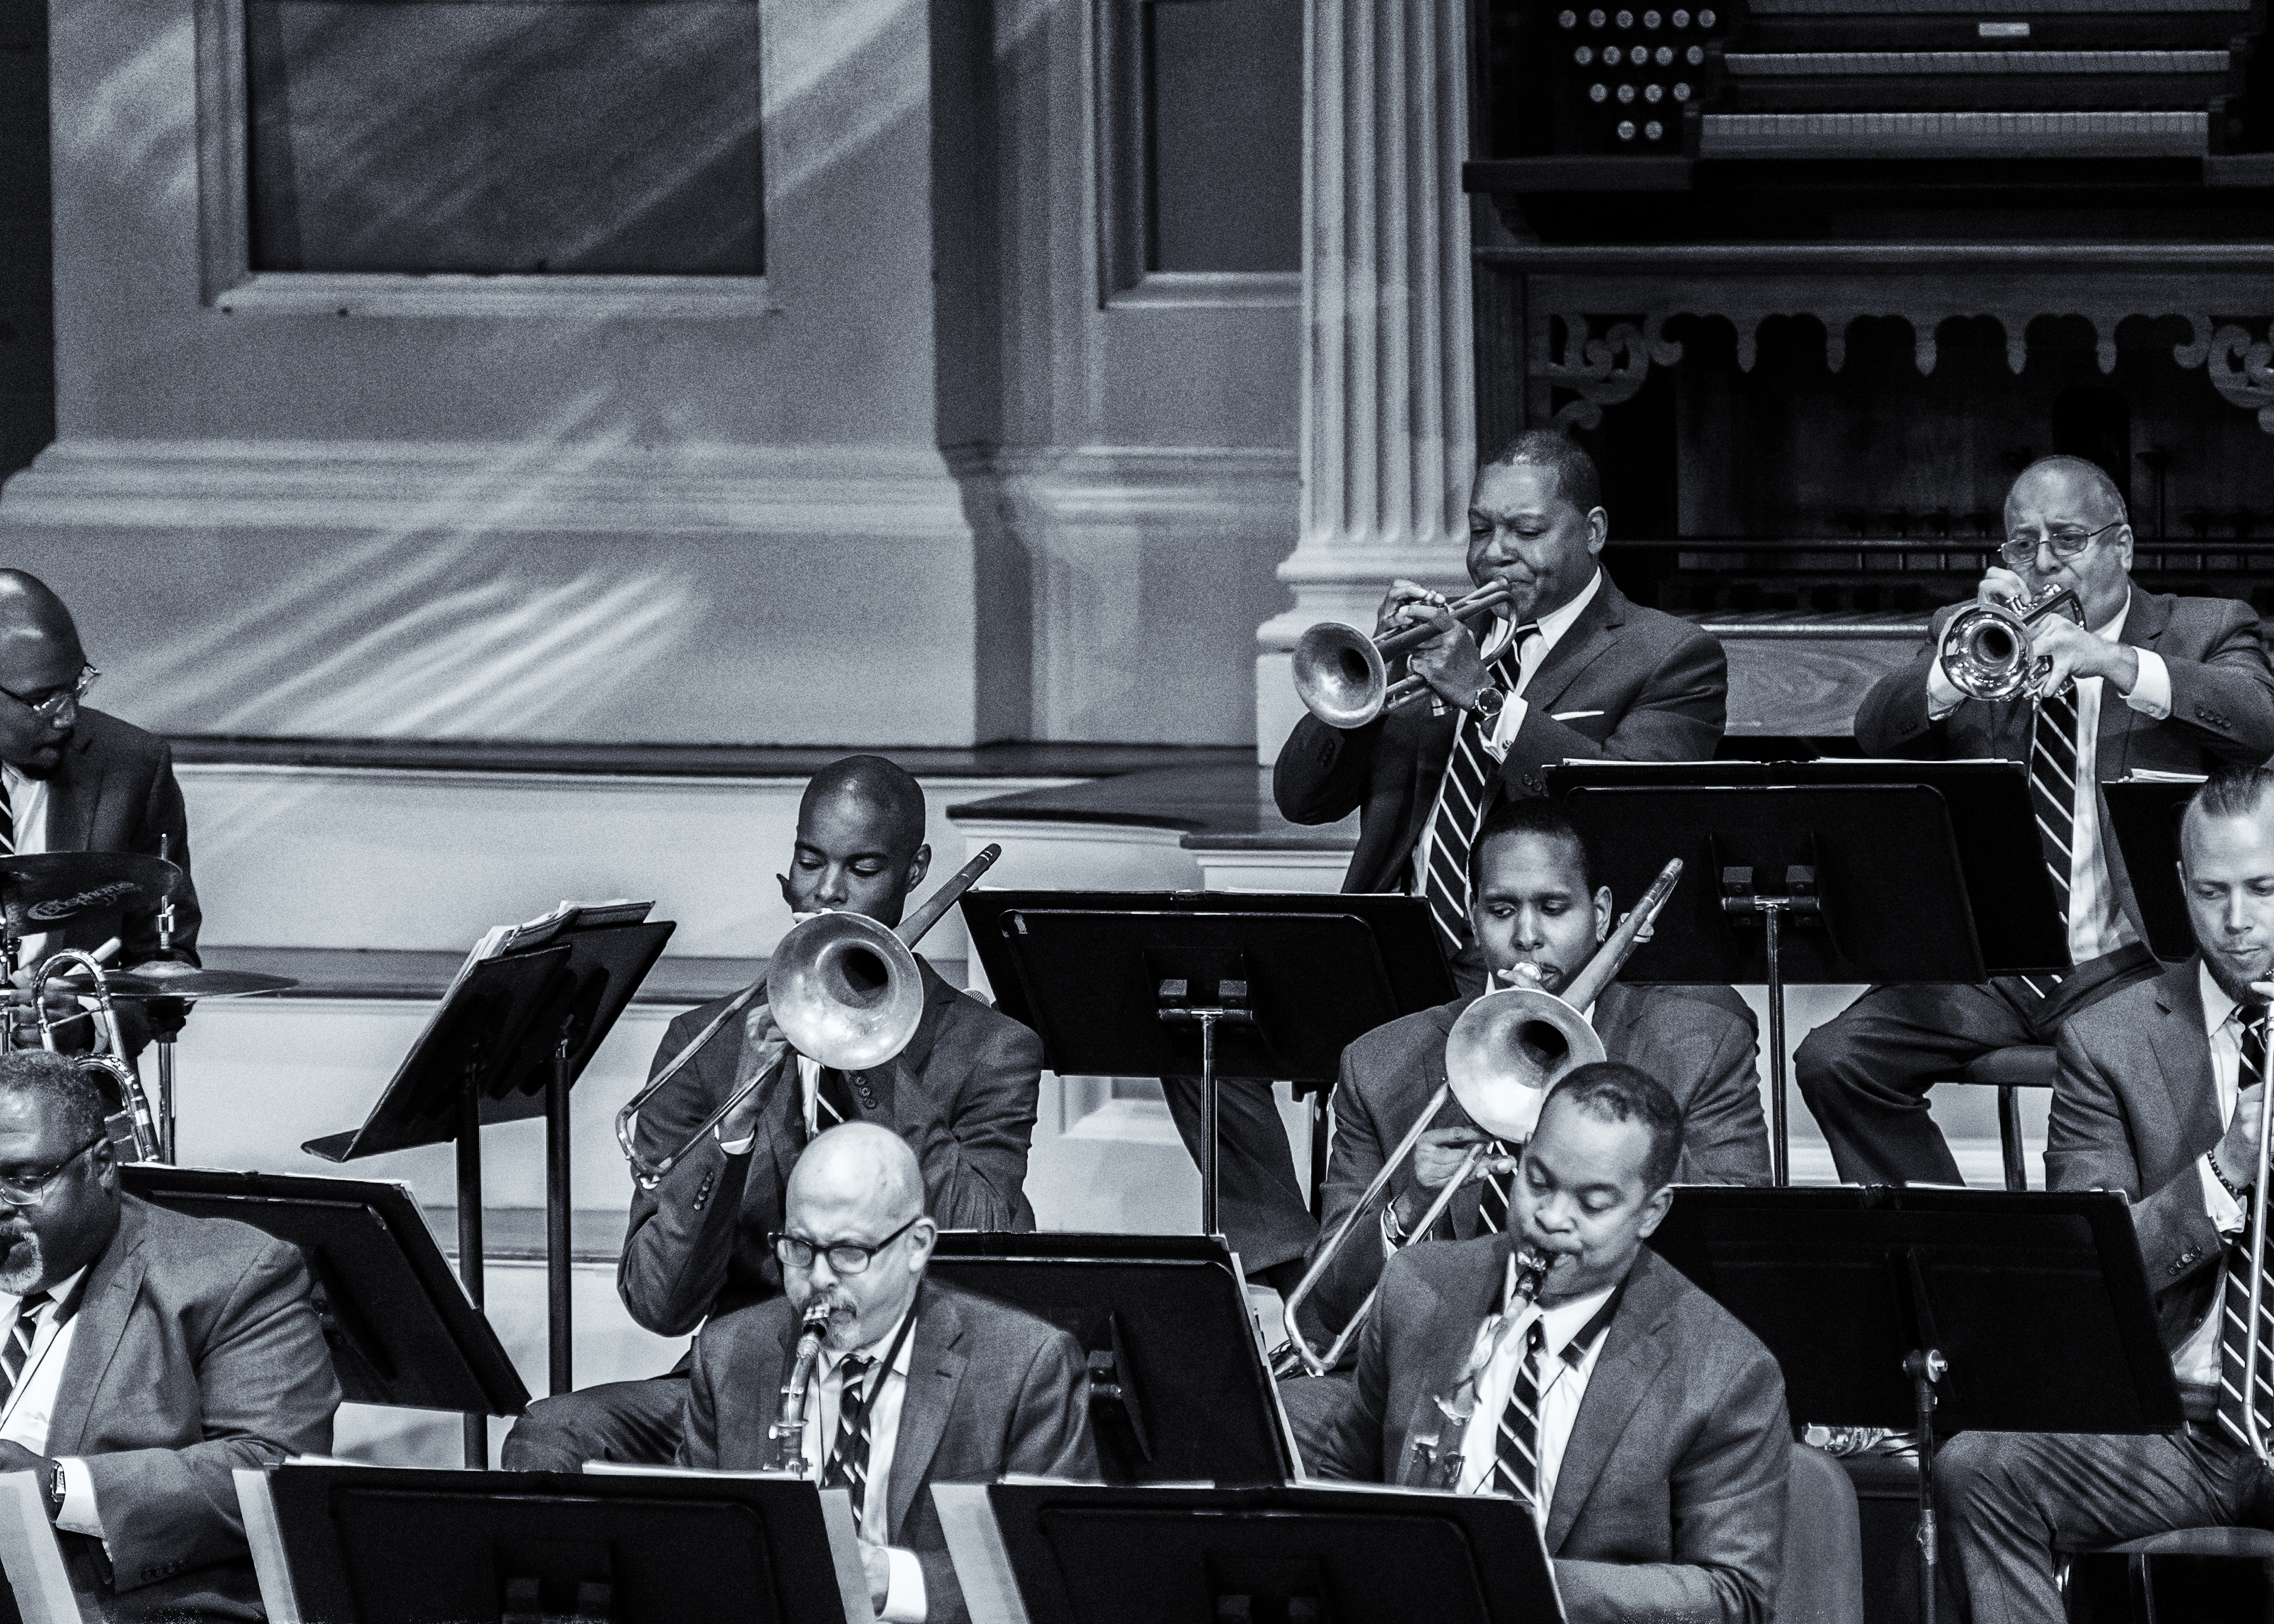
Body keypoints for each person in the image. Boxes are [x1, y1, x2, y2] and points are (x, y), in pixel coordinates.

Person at [1211, 432, 1728, 1289]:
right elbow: (1303, 796)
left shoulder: (1665, 653)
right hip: (1389, 948)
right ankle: (1304, 1271)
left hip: (1531, 963)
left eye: (1523, 530)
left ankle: (1364, 1273)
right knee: (1201, 1021)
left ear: (1591, 530)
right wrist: (1365, 679)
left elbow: (1638, 815)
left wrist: (1486, 700)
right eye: (1481, 528)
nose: (1495, 552)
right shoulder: (1450, 639)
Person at [502, 755, 1043, 1471]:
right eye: (810, 860)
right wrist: (730, 1134)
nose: (827, 889)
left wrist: (864, 1045)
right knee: (551, 1433)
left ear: (916, 871)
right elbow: (658, 1303)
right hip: (741, 1384)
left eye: (863, 867)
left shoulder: (990, 1048)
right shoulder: (708, 1045)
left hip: (911, 1387)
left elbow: (990, 1239)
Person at [1797, 455, 2274, 1186]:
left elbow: (2257, 721)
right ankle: (1954, 1252)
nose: (2044, 561)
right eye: (2023, 543)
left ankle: (2136, 1252)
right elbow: (1876, 731)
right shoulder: (1970, 633)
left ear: (2121, 546)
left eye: (2067, 539)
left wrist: (2115, 660)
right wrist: (1954, 666)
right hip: (2000, 972)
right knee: (1835, 1059)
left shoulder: (2204, 626)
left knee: (2134, 1102)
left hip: (2135, 961)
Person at [1935, 765, 2274, 1622]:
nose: (2238, 923)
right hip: (2190, 1433)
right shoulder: (2108, 1041)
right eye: (2212, 892)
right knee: (1979, 1465)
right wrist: (2227, 1166)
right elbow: (2092, 1279)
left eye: (2265, 889)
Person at [1305, 1062, 1790, 1624]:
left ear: (1651, 1212)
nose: (1550, 1217)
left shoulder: (1726, 1370)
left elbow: (1736, 1595)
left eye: (1593, 1203)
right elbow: (1342, 1480)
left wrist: (1512, 1575)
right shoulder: (1416, 1285)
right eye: (1538, 1180)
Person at [1293, 799, 1770, 1345]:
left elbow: (1736, 1261)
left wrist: (1600, 1091)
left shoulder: (1700, 1047)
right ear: (1473, 915)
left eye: (1552, 907)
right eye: (1500, 910)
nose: (1526, 935)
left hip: (1620, 1362)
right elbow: (1326, 1311)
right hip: (1432, 1358)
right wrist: (1406, 1210)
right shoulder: (1378, 1065)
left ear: (1600, 912)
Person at [680, 1122, 1096, 1624]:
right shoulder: (728, 1354)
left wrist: (891, 1580)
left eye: (849, 1252)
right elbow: (693, 1549)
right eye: (799, 1248)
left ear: (917, 1244)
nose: (818, 1278)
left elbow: (1055, 1577)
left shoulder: (1028, 1366)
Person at [0, 1049, 338, 1620]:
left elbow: (272, 1468)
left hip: (111, 1603)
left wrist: (54, 1487)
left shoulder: (234, 1272)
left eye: (23, 1180)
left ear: (102, 1164)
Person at [0, 571, 201, 1060]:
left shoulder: (132, 767)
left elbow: (166, 962)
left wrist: (87, 1027)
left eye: (77, 685)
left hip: (70, 1100)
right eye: (43, 699)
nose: (67, 716)